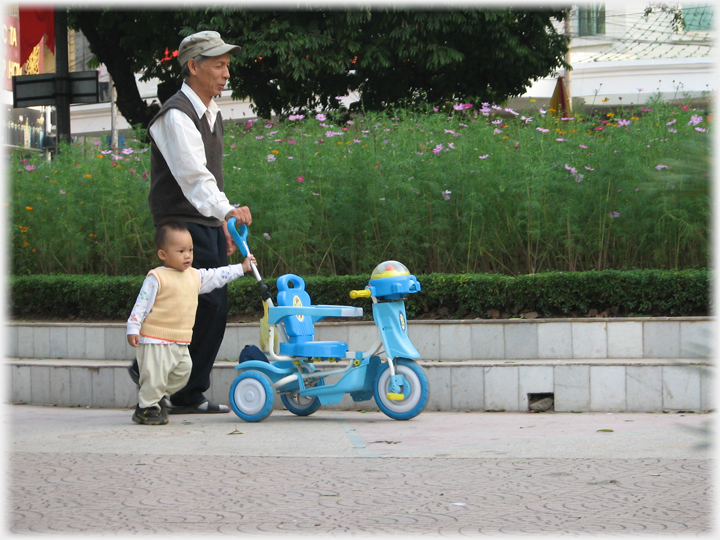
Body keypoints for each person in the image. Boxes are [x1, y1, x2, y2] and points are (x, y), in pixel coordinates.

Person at [127, 30, 252, 414]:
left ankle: (182, 388)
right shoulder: (176, 115)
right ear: (193, 66)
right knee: (196, 300)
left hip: (204, 219)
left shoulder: (210, 113)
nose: (226, 73)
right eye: (218, 65)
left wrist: (222, 224)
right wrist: (226, 211)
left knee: (213, 304)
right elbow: (194, 177)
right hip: (180, 222)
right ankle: (163, 376)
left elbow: (208, 178)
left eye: (227, 65)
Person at [128, 220, 256, 425]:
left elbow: (217, 275)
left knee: (183, 371)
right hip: (155, 339)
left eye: (190, 250)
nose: (187, 255)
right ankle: (146, 408)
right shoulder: (157, 277)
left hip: (180, 340)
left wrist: (241, 268)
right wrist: (133, 327)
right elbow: (141, 304)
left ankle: (157, 395)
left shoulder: (194, 276)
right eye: (180, 251)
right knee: (155, 374)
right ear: (163, 254)